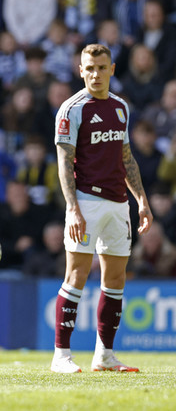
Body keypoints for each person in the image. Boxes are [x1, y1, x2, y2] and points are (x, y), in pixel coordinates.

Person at [51, 44, 153, 373]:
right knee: (77, 274)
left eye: (101, 67)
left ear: (112, 69)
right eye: (89, 68)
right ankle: (61, 356)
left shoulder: (121, 108)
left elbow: (126, 158)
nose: (95, 74)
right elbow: (64, 163)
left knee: (116, 279)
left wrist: (141, 201)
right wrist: (73, 209)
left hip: (119, 204)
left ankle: (104, 355)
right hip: (86, 200)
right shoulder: (71, 109)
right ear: (80, 70)